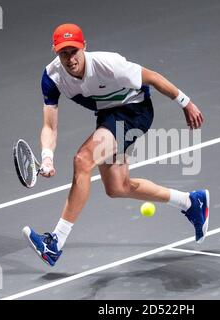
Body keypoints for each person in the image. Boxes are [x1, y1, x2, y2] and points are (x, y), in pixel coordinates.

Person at [23, 23, 209, 266]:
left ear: (84, 47)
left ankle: (55, 242)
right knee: (117, 187)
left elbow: (152, 77)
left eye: (74, 51)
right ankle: (191, 202)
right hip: (108, 115)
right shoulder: (52, 77)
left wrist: (186, 103)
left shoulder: (107, 64)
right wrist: (47, 156)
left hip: (135, 111)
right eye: (63, 53)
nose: (69, 59)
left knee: (83, 160)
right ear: (55, 52)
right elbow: (49, 126)